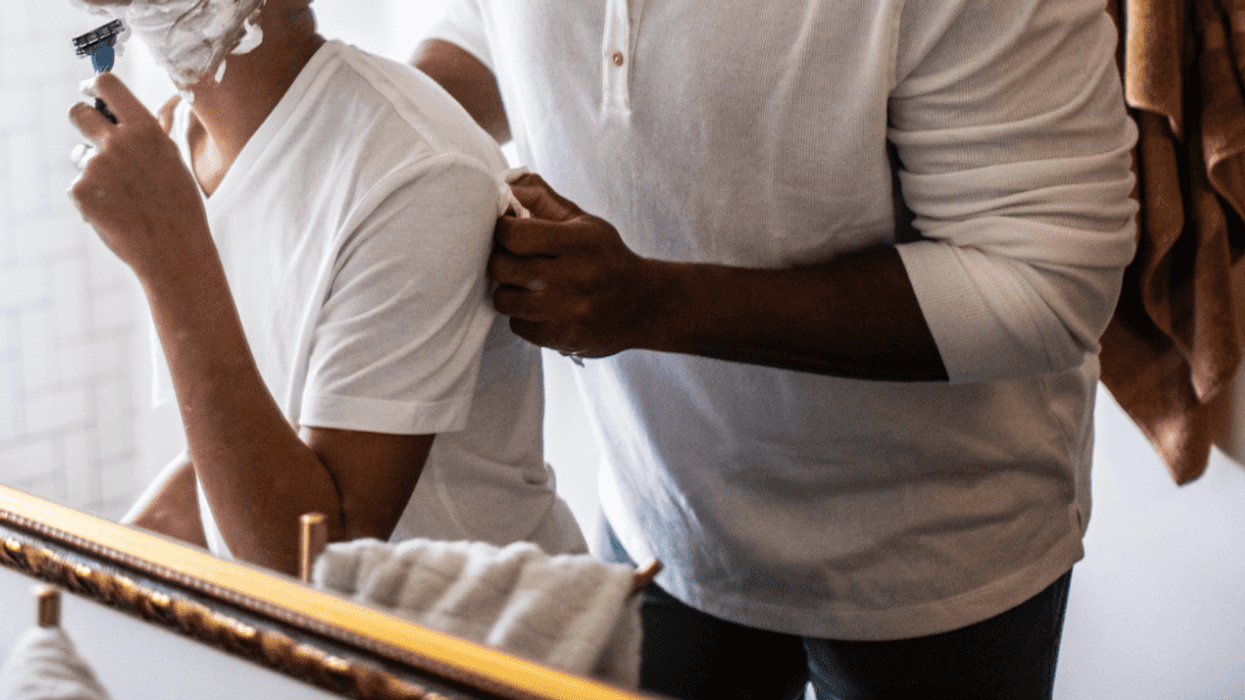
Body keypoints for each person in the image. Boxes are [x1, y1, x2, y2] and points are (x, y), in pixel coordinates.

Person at [413, 0, 1139, 697]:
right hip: (658, 509)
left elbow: (1043, 279)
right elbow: (488, 29)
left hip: (934, 564)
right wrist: (363, 128)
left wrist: (653, 305)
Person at [66, 0, 586, 578]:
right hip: (327, 651)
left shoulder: (416, 174)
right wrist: (82, 595)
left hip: (486, 643)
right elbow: (233, 457)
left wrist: (172, 259)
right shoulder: (186, 142)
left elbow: (313, 566)